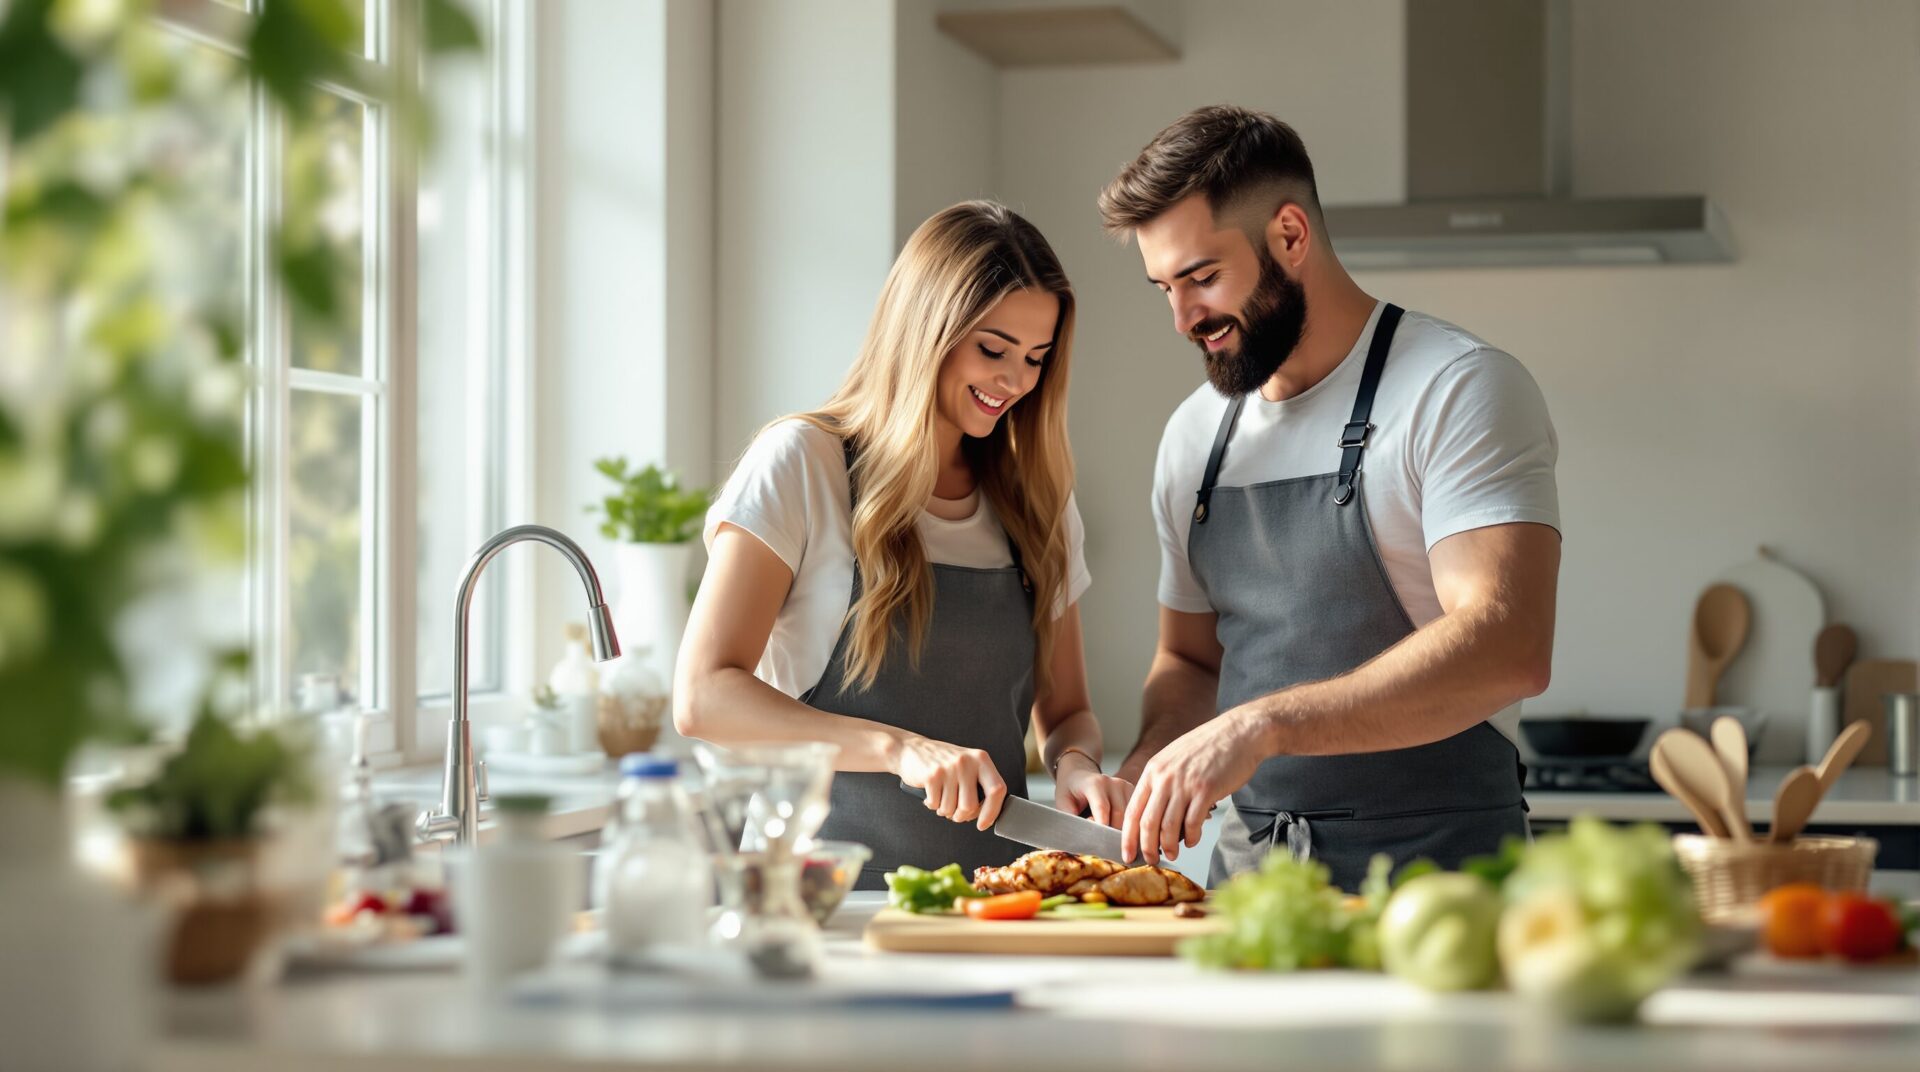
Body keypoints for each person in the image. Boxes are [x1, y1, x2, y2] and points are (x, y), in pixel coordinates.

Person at [1098, 106, 1562, 891]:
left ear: (1289, 234)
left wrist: (1263, 726)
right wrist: (1151, 763)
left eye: (1203, 278)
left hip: (1443, 889)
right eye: (1163, 288)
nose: (1183, 319)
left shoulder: (1457, 387)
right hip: (1248, 896)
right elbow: (1188, 659)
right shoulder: (1193, 436)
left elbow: (1505, 644)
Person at [674, 201, 1130, 889]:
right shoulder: (804, 464)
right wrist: (896, 748)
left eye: (1036, 358)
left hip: (991, 909)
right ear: (925, 331)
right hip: (818, 909)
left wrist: (1077, 766)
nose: (1015, 381)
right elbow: (704, 696)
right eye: (992, 349)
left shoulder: (1037, 503)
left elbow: (1066, 713)